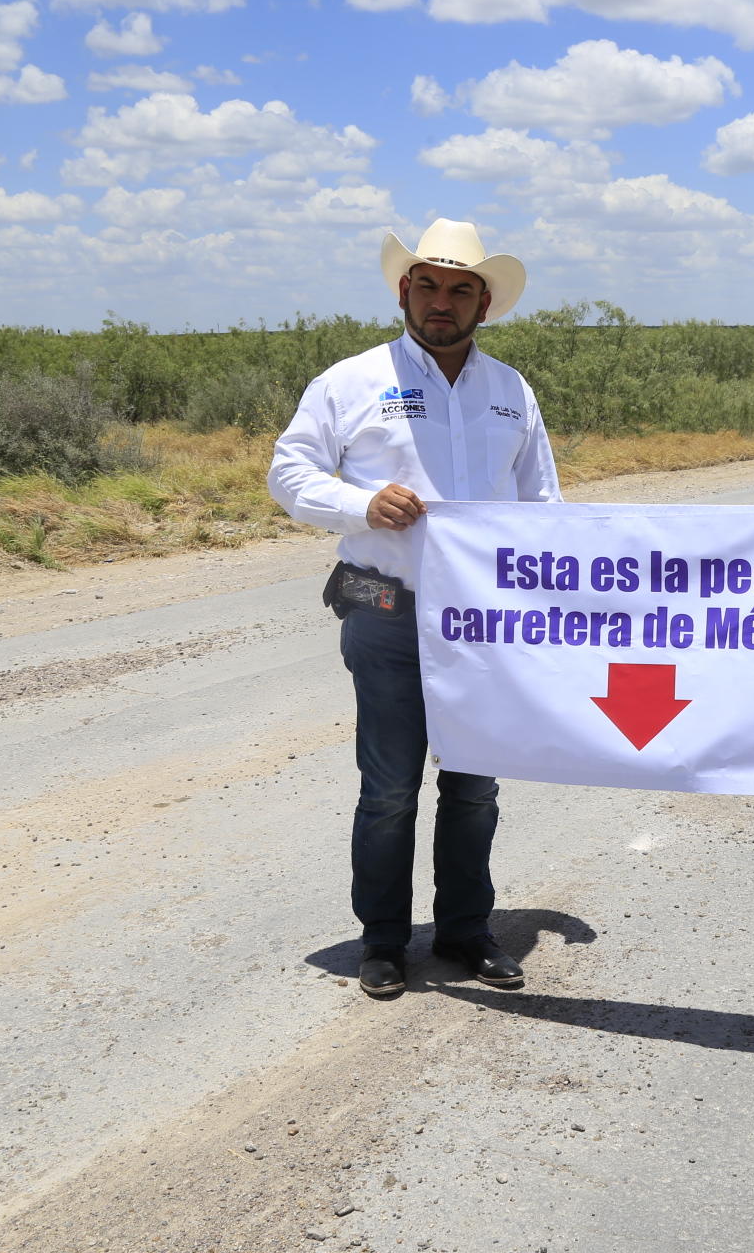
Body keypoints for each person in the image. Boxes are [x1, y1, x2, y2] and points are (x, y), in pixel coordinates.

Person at [269, 218, 561, 999]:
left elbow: (542, 500)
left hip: (486, 622)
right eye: (427, 284)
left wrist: (549, 599)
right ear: (404, 290)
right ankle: (385, 940)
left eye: (460, 288)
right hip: (388, 612)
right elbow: (288, 476)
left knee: (474, 786)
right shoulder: (350, 382)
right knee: (391, 786)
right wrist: (361, 503)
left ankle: (466, 931)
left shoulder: (510, 392)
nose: (441, 301)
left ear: (485, 303)